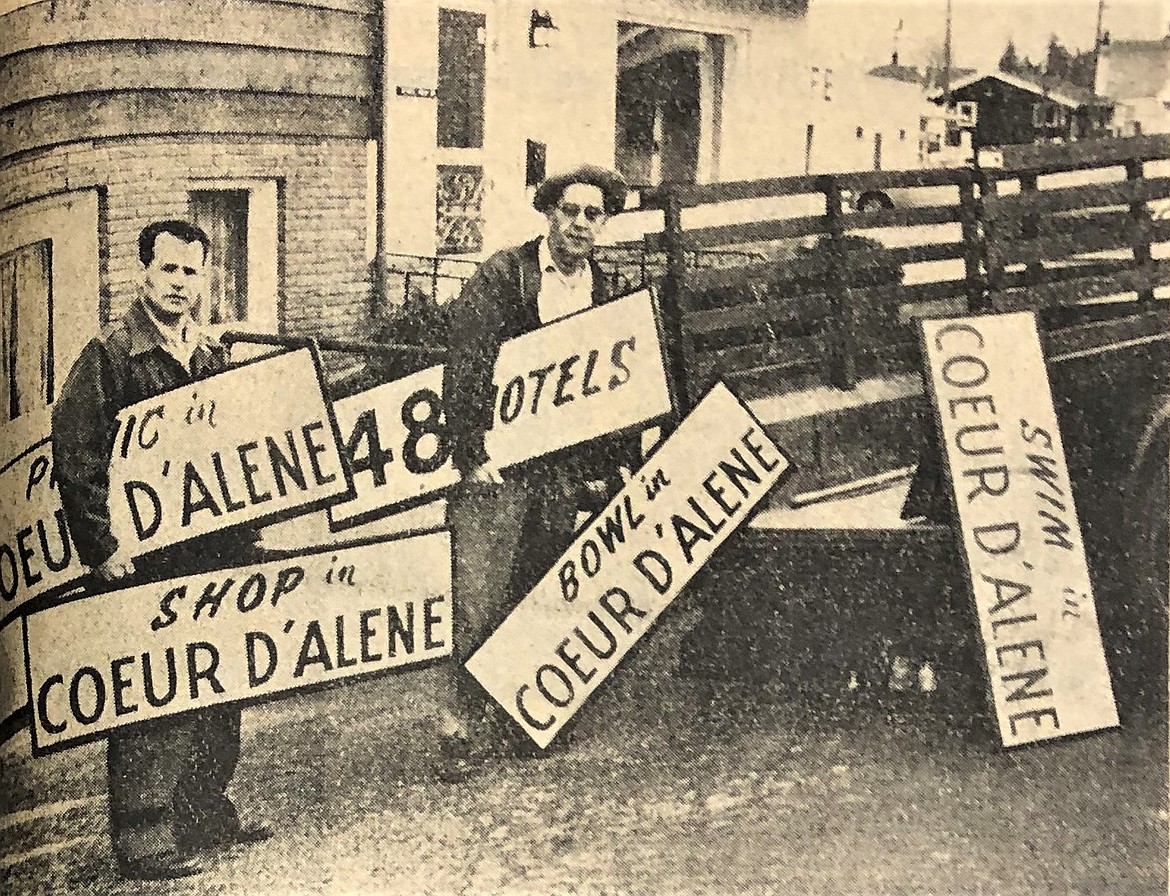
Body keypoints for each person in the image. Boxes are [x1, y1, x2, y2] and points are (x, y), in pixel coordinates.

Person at [52, 220, 270, 880]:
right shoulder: (111, 353)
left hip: (211, 551)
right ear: (142, 273)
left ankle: (205, 809)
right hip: (145, 559)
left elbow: (232, 452)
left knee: (218, 680)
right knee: (152, 694)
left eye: (191, 272)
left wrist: (248, 531)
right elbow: (77, 455)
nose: (179, 283)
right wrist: (101, 546)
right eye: (168, 270)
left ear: (206, 279)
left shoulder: (208, 354)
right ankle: (144, 835)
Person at [437, 165, 638, 777]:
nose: (580, 224)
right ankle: (458, 729)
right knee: (479, 597)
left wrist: (617, 461)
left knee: (542, 587)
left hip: (561, 469)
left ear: (604, 223)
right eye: (569, 211)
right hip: (500, 466)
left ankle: (522, 715)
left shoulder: (605, 286)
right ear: (549, 214)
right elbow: (466, 360)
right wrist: (473, 453)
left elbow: (619, 381)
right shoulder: (504, 275)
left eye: (593, 214)